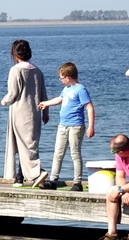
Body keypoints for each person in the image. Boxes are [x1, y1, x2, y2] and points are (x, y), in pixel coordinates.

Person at [37, 62, 95, 191]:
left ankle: (77, 182)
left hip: (76, 126)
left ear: (68, 77)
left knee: (75, 154)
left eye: (61, 78)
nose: (60, 80)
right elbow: (59, 99)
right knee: (58, 153)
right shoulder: (66, 89)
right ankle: (53, 180)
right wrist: (46, 103)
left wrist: (91, 126)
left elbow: (89, 107)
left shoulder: (80, 89)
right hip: (63, 126)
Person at [1, 39, 49, 188]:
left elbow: (13, 92)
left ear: (15, 54)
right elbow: (43, 94)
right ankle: (20, 177)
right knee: (29, 144)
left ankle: (36, 173)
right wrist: (46, 112)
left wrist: (4, 100)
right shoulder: (37, 70)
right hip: (34, 111)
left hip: (19, 111)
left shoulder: (15, 70)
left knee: (20, 144)